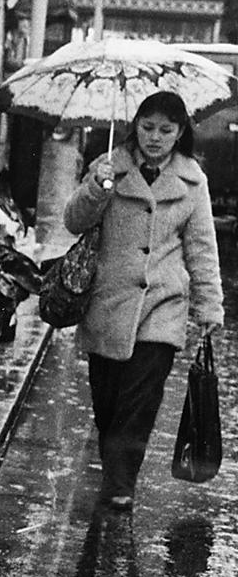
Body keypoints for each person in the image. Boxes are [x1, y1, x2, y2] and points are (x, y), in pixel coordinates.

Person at [63, 89, 224, 510]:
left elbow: (202, 249)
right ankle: (115, 472)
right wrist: (97, 189)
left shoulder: (192, 181)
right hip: (108, 303)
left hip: (161, 307)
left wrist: (209, 307)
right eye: (147, 127)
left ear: (180, 132)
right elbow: (72, 220)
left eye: (165, 130)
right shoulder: (109, 167)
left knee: (140, 401)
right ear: (135, 125)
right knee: (108, 401)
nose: (154, 137)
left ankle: (120, 486)